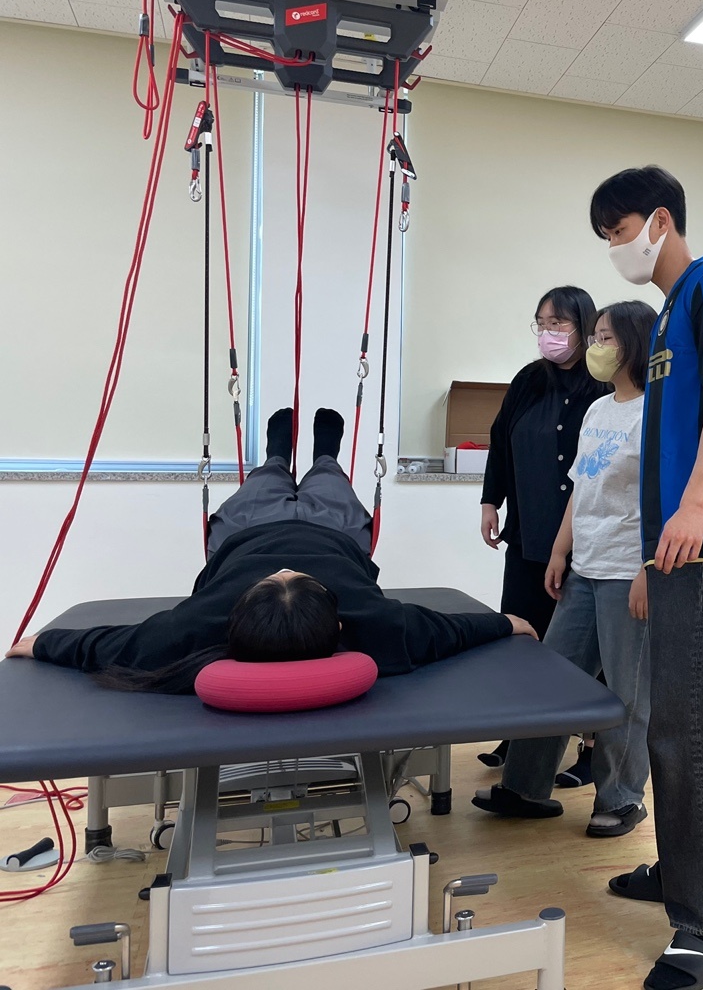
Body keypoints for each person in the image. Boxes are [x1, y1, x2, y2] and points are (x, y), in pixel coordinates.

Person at [5, 408, 536, 689]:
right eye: (294, 578)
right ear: (340, 622)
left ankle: (277, 455)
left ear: (233, 615)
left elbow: (108, 646)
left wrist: (42, 643)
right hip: (333, 536)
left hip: (246, 534)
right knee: (330, 483)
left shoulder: (191, 629)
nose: (284, 568)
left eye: (272, 580)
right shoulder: (379, 624)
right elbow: (449, 631)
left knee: (264, 481)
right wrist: (505, 622)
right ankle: (325, 455)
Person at [590, 166, 703, 990]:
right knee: (668, 723)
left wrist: (693, 511)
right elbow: (663, 448)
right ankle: (681, 869)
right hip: (669, 551)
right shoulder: (663, 317)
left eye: (619, 232)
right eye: (607, 239)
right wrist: (646, 559)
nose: (615, 248)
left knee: (694, 728)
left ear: (660, 220)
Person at [472, 300, 658, 839]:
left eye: (605, 337)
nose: (596, 347)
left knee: (626, 694)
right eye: (594, 336)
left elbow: (665, 501)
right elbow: (582, 487)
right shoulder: (599, 410)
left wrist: (650, 568)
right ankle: (525, 787)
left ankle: (619, 799)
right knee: (552, 681)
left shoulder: (657, 414)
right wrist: (560, 552)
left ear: (634, 343)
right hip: (585, 566)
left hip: (627, 570)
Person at [478, 286, 607, 774]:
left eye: (558, 324)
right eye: (542, 324)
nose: (548, 333)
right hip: (528, 533)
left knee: (587, 649)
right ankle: (521, 736)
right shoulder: (529, 380)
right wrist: (491, 501)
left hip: (584, 542)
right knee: (522, 638)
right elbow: (500, 441)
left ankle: (593, 748)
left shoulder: (604, 385)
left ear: (583, 326)